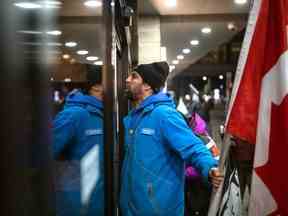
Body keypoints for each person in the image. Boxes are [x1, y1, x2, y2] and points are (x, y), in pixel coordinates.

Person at [120, 61, 223, 215]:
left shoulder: (164, 115)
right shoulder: (135, 118)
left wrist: (210, 168)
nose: (127, 80)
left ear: (147, 86)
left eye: (134, 77)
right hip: (132, 209)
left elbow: (194, 147)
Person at [52, 65, 104, 216]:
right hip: (76, 205)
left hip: (99, 200)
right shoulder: (74, 115)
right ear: (96, 87)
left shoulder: (106, 114)